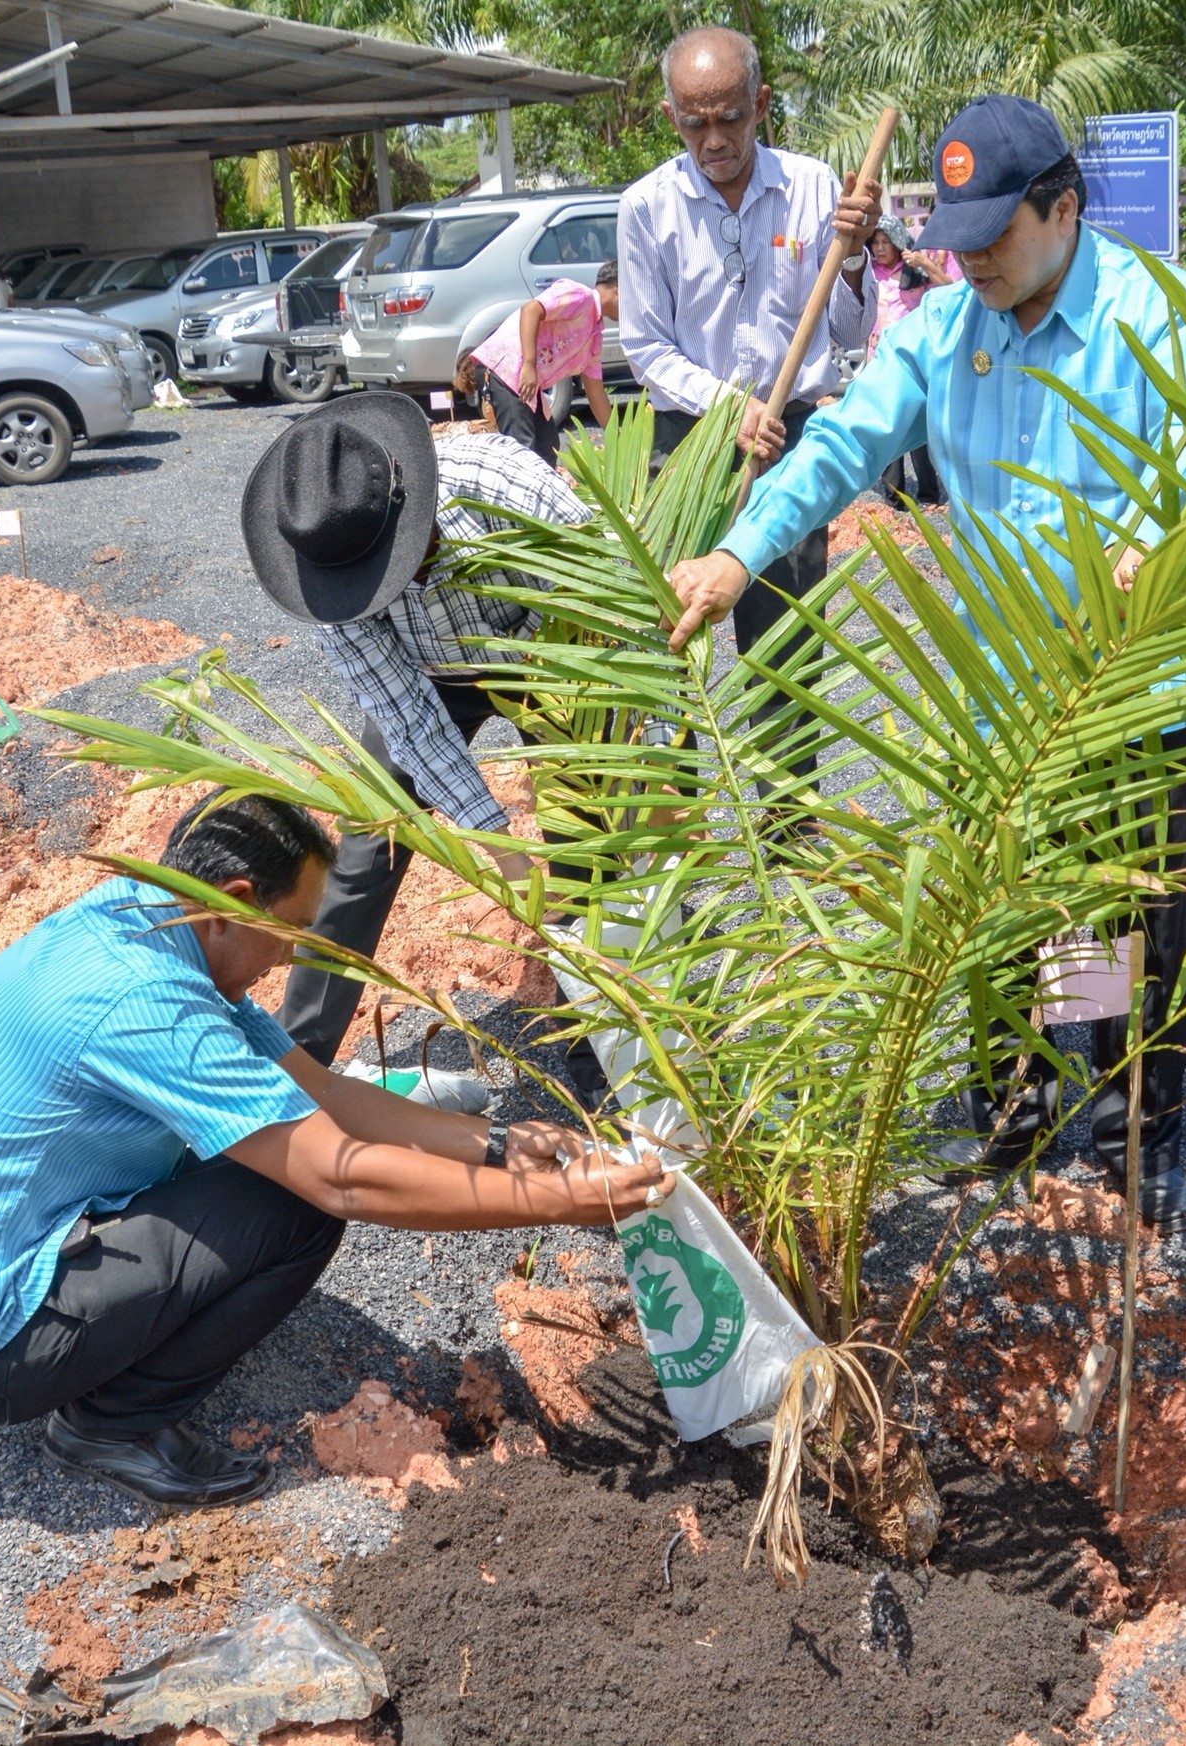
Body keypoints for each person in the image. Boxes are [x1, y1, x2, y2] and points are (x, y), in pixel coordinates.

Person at [660, 95, 1186, 1232]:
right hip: (992, 690)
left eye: (992, 240)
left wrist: (1153, 546)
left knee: (1114, 918)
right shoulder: (943, 326)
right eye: (954, 242)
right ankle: (1017, 1110)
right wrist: (735, 553)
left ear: (1062, 210)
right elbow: (842, 443)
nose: (967, 263)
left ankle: (1133, 1126)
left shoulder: (1155, 318)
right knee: (996, 911)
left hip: (1115, 690)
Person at [0, 793, 661, 1508]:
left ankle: (107, 1361)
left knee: (263, 1153)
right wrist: (561, 1200)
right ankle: (108, 1425)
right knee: (291, 1205)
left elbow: (320, 1090)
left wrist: (497, 1145)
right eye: (293, 930)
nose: (290, 957)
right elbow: (342, 1180)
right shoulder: (144, 1001)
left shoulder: (149, 920)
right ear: (236, 902)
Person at [249, 391, 608, 1101]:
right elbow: (409, 718)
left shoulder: (500, 484)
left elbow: (609, 604)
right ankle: (298, 1072)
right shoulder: (324, 563)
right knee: (364, 849)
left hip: (554, 650)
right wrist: (501, 852)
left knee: (587, 844)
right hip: (427, 677)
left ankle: (605, 1065)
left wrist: (571, 770)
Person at [618, 24, 880, 775]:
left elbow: (849, 329)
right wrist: (727, 408)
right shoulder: (646, 208)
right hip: (686, 447)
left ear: (760, 104)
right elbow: (646, 348)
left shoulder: (814, 190)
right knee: (674, 638)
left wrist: (857, 257)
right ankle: (681, 836)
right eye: (695, 122)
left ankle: (787, 833)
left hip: (789, 443)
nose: (714, 139)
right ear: (672, 118)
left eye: (730, 117)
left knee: (786, 638)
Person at [467, 261, 619, 463]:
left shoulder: (594, 334)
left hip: (527, 382)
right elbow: (531, 310)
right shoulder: (580, 296)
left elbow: (596, 392)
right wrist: (529, 365)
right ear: (619, 290)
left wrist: (617, 439)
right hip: (508, 368)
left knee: (548, 447)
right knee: (523, 451)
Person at [865, 216, 954, 505]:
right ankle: (894, 497)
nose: (879, 249)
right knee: (888, 426)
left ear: (898, 242)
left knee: (919, 427)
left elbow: (950, 289)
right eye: (875, 243)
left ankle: (929, 493)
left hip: (914, 360)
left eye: (885, 242)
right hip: (880, 360)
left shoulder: (914, 271)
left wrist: (924, 264)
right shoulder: (870, 272)